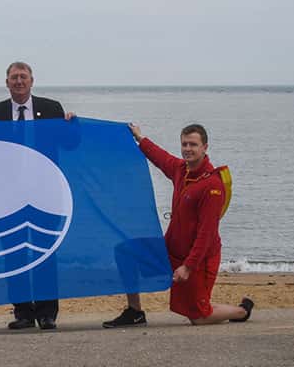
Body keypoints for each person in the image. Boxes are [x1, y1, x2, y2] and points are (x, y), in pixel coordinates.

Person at [103, 123, 254, 328]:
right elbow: (160, 157)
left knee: (199, 317)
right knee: (126, 251)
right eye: (184, 144)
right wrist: (140, 138)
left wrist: (188, 266)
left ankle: (242, 311)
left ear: (205, 147)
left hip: (199, 260)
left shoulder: (212, 186)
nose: (188, 149)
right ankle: (135, 312)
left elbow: (206, 234)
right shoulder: (181, 170)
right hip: (170, 251)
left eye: (193, 144)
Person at [0, 61, 75, 330]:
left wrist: (71, 124)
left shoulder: (52, 108)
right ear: (7, 83)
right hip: (7, 199)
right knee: (15, 255)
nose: (19, 81)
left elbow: (70, 144)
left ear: (32, 81)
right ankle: (22, 312)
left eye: (23, 77)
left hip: (46, 195)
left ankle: (47, 313)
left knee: (45, 253)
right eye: (14, 78)